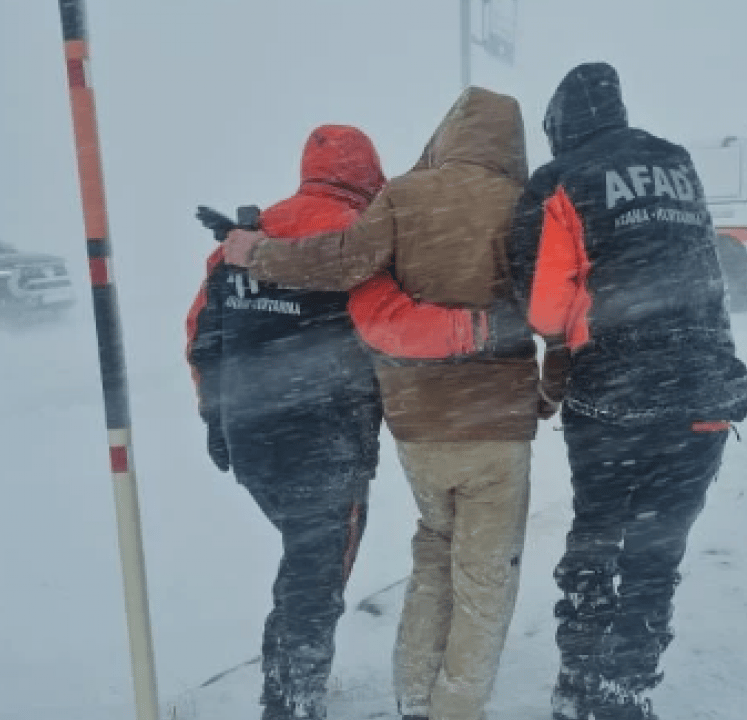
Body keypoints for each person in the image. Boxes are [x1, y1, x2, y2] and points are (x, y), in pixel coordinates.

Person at [224, 86, 539, 720]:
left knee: (432, 551)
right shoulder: (523, 203)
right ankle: (450, 706)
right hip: (480, 423)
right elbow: (554, 306)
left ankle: (411, 693)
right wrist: (540, 379)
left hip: (403, 426)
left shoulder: (394, 197)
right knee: (481, 575)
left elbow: (330, 267)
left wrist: (259, 255)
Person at [507, 63, 747, 720]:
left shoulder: (559, 181)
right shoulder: (674, 161)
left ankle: (580, 680)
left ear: (560, 123)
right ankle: (626, 690)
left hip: (613, 397)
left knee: (597, 534)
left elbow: (544, 310)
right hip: (705, 388)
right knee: (656, 551)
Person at [185, 125, 388, 720]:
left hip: (250, 436)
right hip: (326, 441)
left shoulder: (243, 238)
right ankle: (292, 700)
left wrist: (213, 414)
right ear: (369, 173)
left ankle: (290, 685)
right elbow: (387, 330)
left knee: (304, 558)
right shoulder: (360, 240)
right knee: (317, 573)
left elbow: (202, 334)